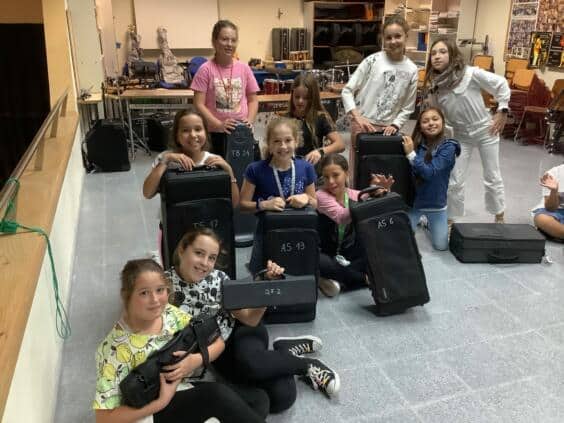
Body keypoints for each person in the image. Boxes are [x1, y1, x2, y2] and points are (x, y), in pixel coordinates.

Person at [167, 227, 341, 414]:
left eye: (212, 258)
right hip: (216, 353)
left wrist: (266, 286)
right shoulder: (163, 287)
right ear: (182, 250)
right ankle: (284, 351)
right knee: (282, 397)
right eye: (199, 253)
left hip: (241, 331)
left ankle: (306, 365)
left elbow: (250, 319)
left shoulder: (218, 280)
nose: (205, 263)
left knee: (252, 363)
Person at [93, 258, 268, 423]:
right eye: (144, 293)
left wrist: (194, 361)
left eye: (160, 290)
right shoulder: (113, 349)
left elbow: (218, 343)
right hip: (148, 413)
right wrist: (160, 402)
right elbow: (104, 419)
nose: (155, 300)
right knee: (215, 396)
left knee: (259, 400)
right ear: (127, 295)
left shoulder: (169, 314)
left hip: (181, 390)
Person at [424, 36, 510, 224]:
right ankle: (450, 220)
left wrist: (502, 110)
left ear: (452, 54)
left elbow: (501, 84)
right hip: (460, 136)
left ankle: (499, 216)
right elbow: (437, 115)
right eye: (433, 53)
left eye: (442, 52)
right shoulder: (435, 87)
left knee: (492, 176)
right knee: (455, 180)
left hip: (486, 131)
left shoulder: (470, 73)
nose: (437, 56)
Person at [341, 14, 418, 176]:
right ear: (383, 39)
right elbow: (347, 91)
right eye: (388, 37)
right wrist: (358, 117)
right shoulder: (372, 61)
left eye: (398, 36)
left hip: (388, 130)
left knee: (383, 173)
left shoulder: (412, 69)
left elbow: (408, 107)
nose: (393, 41)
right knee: (360, 172)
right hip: (363, 125)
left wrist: (395, 125)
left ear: (406, 36)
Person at [240, 117, 318, 274]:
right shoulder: (255, 169)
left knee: (299, 272)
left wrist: (307, 199)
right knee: (265, 275)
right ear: (269, 144)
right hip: (267, 232)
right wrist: (263, 205)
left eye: (288, 140)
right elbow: (242, 205)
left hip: (300, 230)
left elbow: (315, 204)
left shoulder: (306, 167)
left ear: (296, 141)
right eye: (276, 141)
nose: (283, 146)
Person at [316, 153, 394, 297]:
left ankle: (336, 279)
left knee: (379, 252)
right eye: (326, 177)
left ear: (346, 173)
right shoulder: (320, 195)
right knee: (315, 259)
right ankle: (363, 279)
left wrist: (381, 192)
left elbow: (377, 208)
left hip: (349, 253)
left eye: (335, 175)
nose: (331, 181)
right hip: (328, 254)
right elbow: (341, 216)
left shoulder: (354, 194)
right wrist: (370, 196)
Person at [142, 107, 238, 205]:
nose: (193, 135)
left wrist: (229, 172)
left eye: (198, 129)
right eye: (185, 130)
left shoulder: (214, 161)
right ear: (176, 135)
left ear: (205, 132)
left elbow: (234, 203)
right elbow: (147, 193)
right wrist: (165, 161)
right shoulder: (166, 159)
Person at [191, 20, 260, 157]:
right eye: (224, 39)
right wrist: (219, 125)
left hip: (241, 133)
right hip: (215, 134)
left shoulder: (244, 68)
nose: (229, 44)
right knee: (218, 169)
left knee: (243, 169)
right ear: (214, 41)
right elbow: (198, 104)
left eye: (233, 40)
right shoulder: (205, 70)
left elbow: (253, 100)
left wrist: (250, 120)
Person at [402, 107, 461, 250]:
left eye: (435, 119)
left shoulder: (449, 147)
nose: (431, 123)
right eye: (425, 121)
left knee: (441, 246)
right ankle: (420, 220)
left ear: (443, 122)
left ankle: (427, 223)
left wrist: (411, 155)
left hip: (436, 204)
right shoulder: (415, 145)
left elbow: (430, 173)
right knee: (403, 245)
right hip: (413, 204)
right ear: (420, 126)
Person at [286, 73, 345, 166]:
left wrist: (320, 152)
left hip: (312, 167)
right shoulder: (285, 118)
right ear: (292, 95)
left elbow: (340, 144)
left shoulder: (320, 117)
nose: (300, 101)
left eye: (305, 98)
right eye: (297, 97)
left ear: (313, 98)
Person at [533, 164, 564, 240]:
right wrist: (554, 191)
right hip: (555, 211)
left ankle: (557, 234)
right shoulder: (552, 174)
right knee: (542, 219)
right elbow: (550, 208)